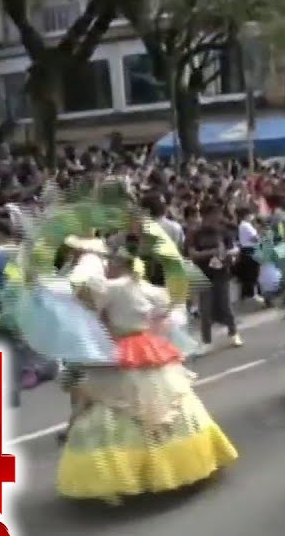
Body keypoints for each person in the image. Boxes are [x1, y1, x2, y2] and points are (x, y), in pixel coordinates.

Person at [56, 249, 238, 503]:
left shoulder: (114, 287)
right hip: (146, 347)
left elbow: (86, 297)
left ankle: (128, 473)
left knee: (112, 404)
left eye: (112, 264)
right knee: (162, 403)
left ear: (120, 266)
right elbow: (169, 308)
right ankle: (176, 461)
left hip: (124, 349)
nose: (108, 268)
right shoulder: (146, 288)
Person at [188, 205, 242, 348]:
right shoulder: (195, 233)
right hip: (203, 274)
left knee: (226, 306)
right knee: (205, 310)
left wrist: (230, 255)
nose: (218, 218)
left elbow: (233, 249)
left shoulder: (224, 232)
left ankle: (233, 333)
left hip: (222, 273)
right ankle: (206, 341)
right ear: (206, 216)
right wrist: (213, 252)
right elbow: (193, 254)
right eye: (215, 215)